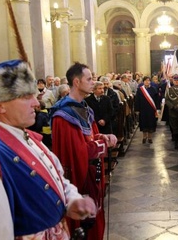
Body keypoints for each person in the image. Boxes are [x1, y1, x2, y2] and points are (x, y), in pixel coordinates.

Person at [0, 60, 96, 239]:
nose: (36, 103)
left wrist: (72, 200)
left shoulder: (27, 136)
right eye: (26, 97)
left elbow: (55, 178)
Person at [50, 62, 117, 240]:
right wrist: (103, 146)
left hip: (92, 173)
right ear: (77, 82)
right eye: (89, 79)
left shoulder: (84, 109)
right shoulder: (64, 115)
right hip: (79, 179)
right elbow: (77, 152)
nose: (93, 82)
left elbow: (92, 136)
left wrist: (103, 137)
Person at [135, 76, 160, 144]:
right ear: (143, 82)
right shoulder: (140, 89)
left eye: (148, 80)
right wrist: (137, 109)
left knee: (151, 123)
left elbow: (157, 100)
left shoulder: (154, 89)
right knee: (144, 123)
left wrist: (158, 109)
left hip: (151, 109)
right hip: (143, 109)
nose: (147, 82)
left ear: (150, 81)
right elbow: (137, 100)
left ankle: (150, 137)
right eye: (145, 80)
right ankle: (144, 137)